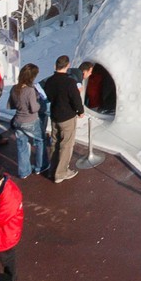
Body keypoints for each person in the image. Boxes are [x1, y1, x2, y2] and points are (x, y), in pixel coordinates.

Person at [39, 55, 84, 184]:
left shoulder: (50, 81)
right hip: (67, 117)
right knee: (66, 145)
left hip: (54, 116)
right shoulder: (69, 82)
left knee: (55, 142)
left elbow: (48, 95)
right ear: (68, 65)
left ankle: (52, 170)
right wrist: (80, 111)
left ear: (55, 66)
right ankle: (61, 172)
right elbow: (76, 99)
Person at [8, 67, 43, 182]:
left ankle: (24, 172)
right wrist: (39, 103)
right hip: (31, 121)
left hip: (18, 120)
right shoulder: (30, 90)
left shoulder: (14, 88)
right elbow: (34, 108)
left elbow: (11, 105)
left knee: (21, 146)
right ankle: (40, 167)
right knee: (39, 142)